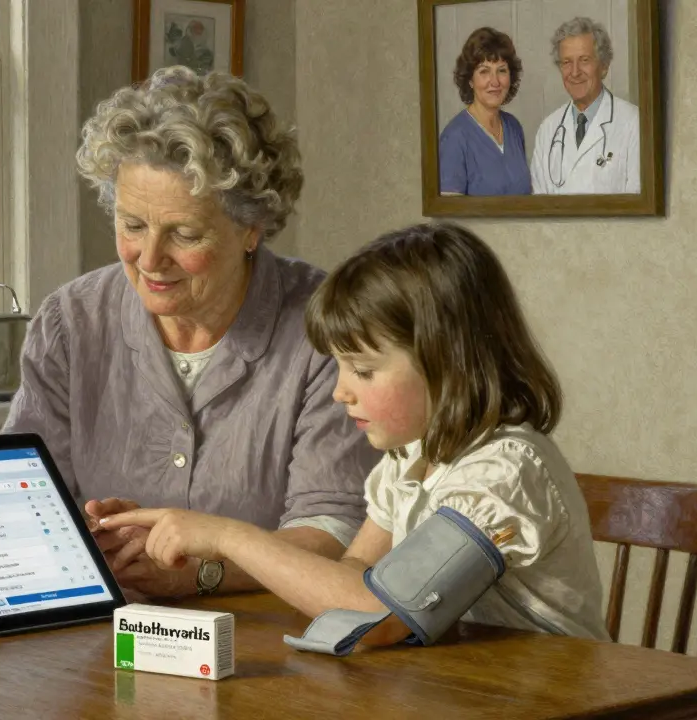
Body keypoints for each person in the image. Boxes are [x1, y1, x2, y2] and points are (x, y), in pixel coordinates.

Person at [0, 66, 380, 600]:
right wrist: (0, 539)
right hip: (100, 639)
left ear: (252, 227)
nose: (149, 259)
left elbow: (333, 533)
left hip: (273, 642)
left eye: (184, 234)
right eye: (132, 225)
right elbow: (26, 496)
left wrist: (200, 570)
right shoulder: (71, 321)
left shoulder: (325, 329)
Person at [99, 222, 609, 643]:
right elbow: (349, 581)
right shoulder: (409, 464)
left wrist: (227, 536)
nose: (341, 391)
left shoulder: (504, 474)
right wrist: (202, 550)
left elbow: (378, 613)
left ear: (447, 364)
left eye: (363, 371)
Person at [530, 17, 641, 195]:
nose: (574, 72)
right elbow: (539, 202)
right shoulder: (548, 129)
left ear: (604, 66)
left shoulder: (634, 122)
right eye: (567, 62)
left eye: (584, 60)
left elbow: (639, 202)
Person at [438, 27, 532, 196]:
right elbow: (449, 219)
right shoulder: (454, 139)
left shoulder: (513, 127)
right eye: (484, 71)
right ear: (470, 80)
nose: (494, 82)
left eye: (502, 70)